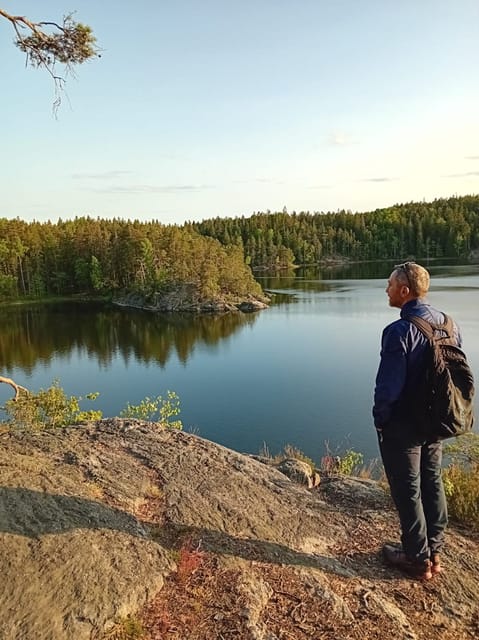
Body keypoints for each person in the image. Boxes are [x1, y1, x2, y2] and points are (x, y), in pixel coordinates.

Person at [373, 262, 461, 581]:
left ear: (404, 291)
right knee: (432, 480)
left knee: (408, 489)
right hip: (436, 421)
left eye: (390, 285)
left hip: (404, 425)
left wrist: (381, 421)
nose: (386, 289)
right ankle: (434, 552)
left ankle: (415, 558)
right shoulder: (449, 324)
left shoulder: (399, 331)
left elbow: (388, 388)